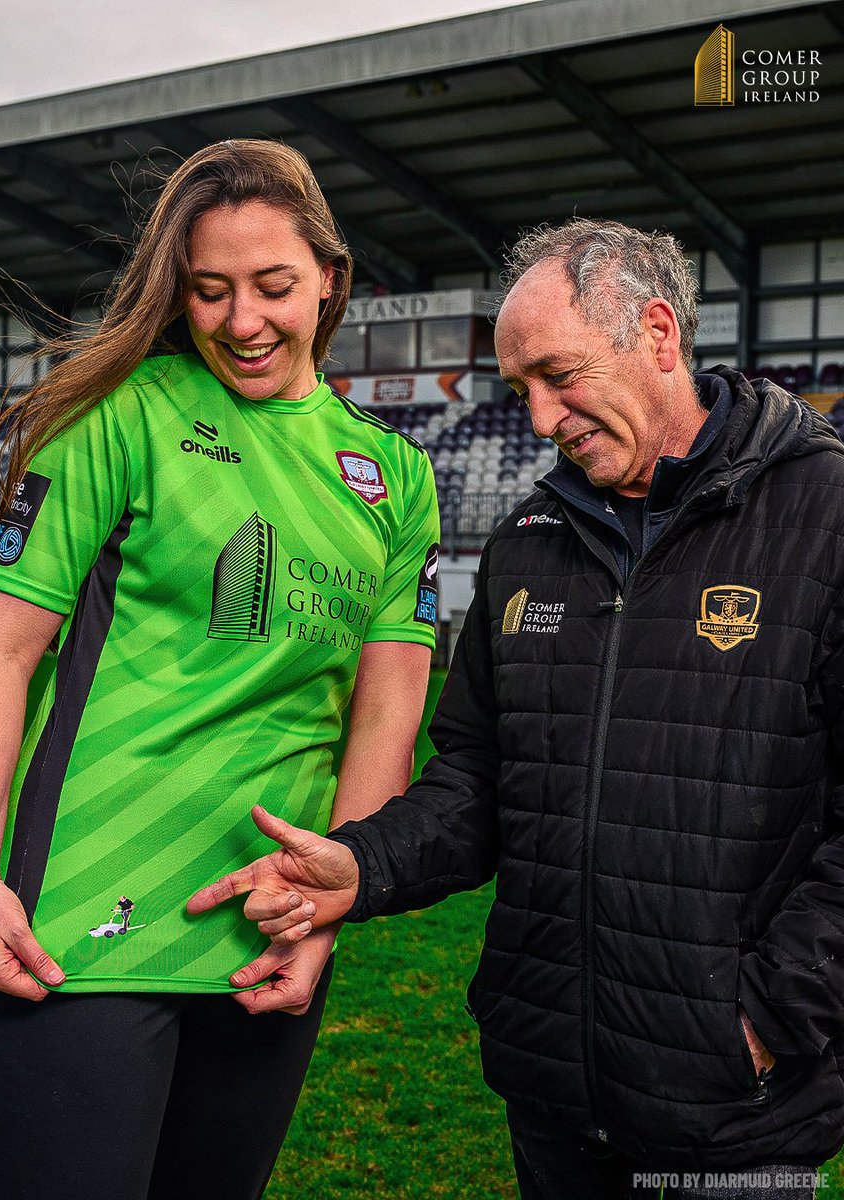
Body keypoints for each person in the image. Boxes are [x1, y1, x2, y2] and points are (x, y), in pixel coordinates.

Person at [192, 219, 844, 1200]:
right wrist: (361, 863)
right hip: (550, 1101)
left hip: (733, 1122)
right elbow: (477, 778)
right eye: (519, 390)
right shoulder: (531, 538)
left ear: (659, 335)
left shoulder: (825, 514)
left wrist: (761, 1024)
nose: (539, 419)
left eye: (559, 376)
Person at [0, 138, 440, 1200]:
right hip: (71, 935)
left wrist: (326, 909)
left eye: (273, 287)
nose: (242, 321)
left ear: (330, 282)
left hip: (263, 940)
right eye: (209, 292)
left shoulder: (394, 476)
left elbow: (386, 713)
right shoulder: (120, 413)